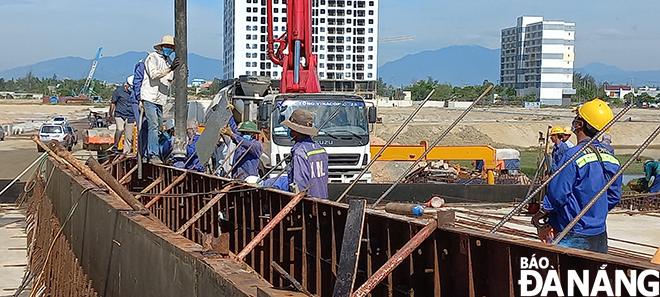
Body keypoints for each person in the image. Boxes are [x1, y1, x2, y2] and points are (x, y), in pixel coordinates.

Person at [533, 98, 622, 253]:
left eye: (576, 118)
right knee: (594, 275)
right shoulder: (611, 158)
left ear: (579, 124)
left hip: (573, 232)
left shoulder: (573, 156)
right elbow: (614, 196)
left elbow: (558, 195)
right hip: (599, 233)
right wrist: (594, 213)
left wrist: (540, 213)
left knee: (567, 276)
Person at [141, 35, 180, 164]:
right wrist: (170, 69)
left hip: (160, 99)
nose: (168, 49)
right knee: (153, 125)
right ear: (162, 47)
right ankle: (153, 154)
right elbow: (154, 74)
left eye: (170, 47)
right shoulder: (152, 58)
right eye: (167, 46)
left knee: (158, 128)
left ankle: (150, 152)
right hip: (150, 97)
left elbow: (169, 80)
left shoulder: (168, 61)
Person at [280, 109, 329, 199]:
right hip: (323, 200)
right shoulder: (321, 150)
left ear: (296, 131)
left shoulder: (300, 153)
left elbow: (300, 186)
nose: (289, 131)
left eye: (290, 129)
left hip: (308, 205)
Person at [109, 75, 136, 154]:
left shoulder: (134, 93)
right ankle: (115, 145)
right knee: (120, 129)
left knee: (128, 135)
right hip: (120, 114)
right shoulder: (118, 91)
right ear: (127, 84)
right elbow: (113, 103)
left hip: (130, 115)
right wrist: (110, 115)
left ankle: (126, 152)